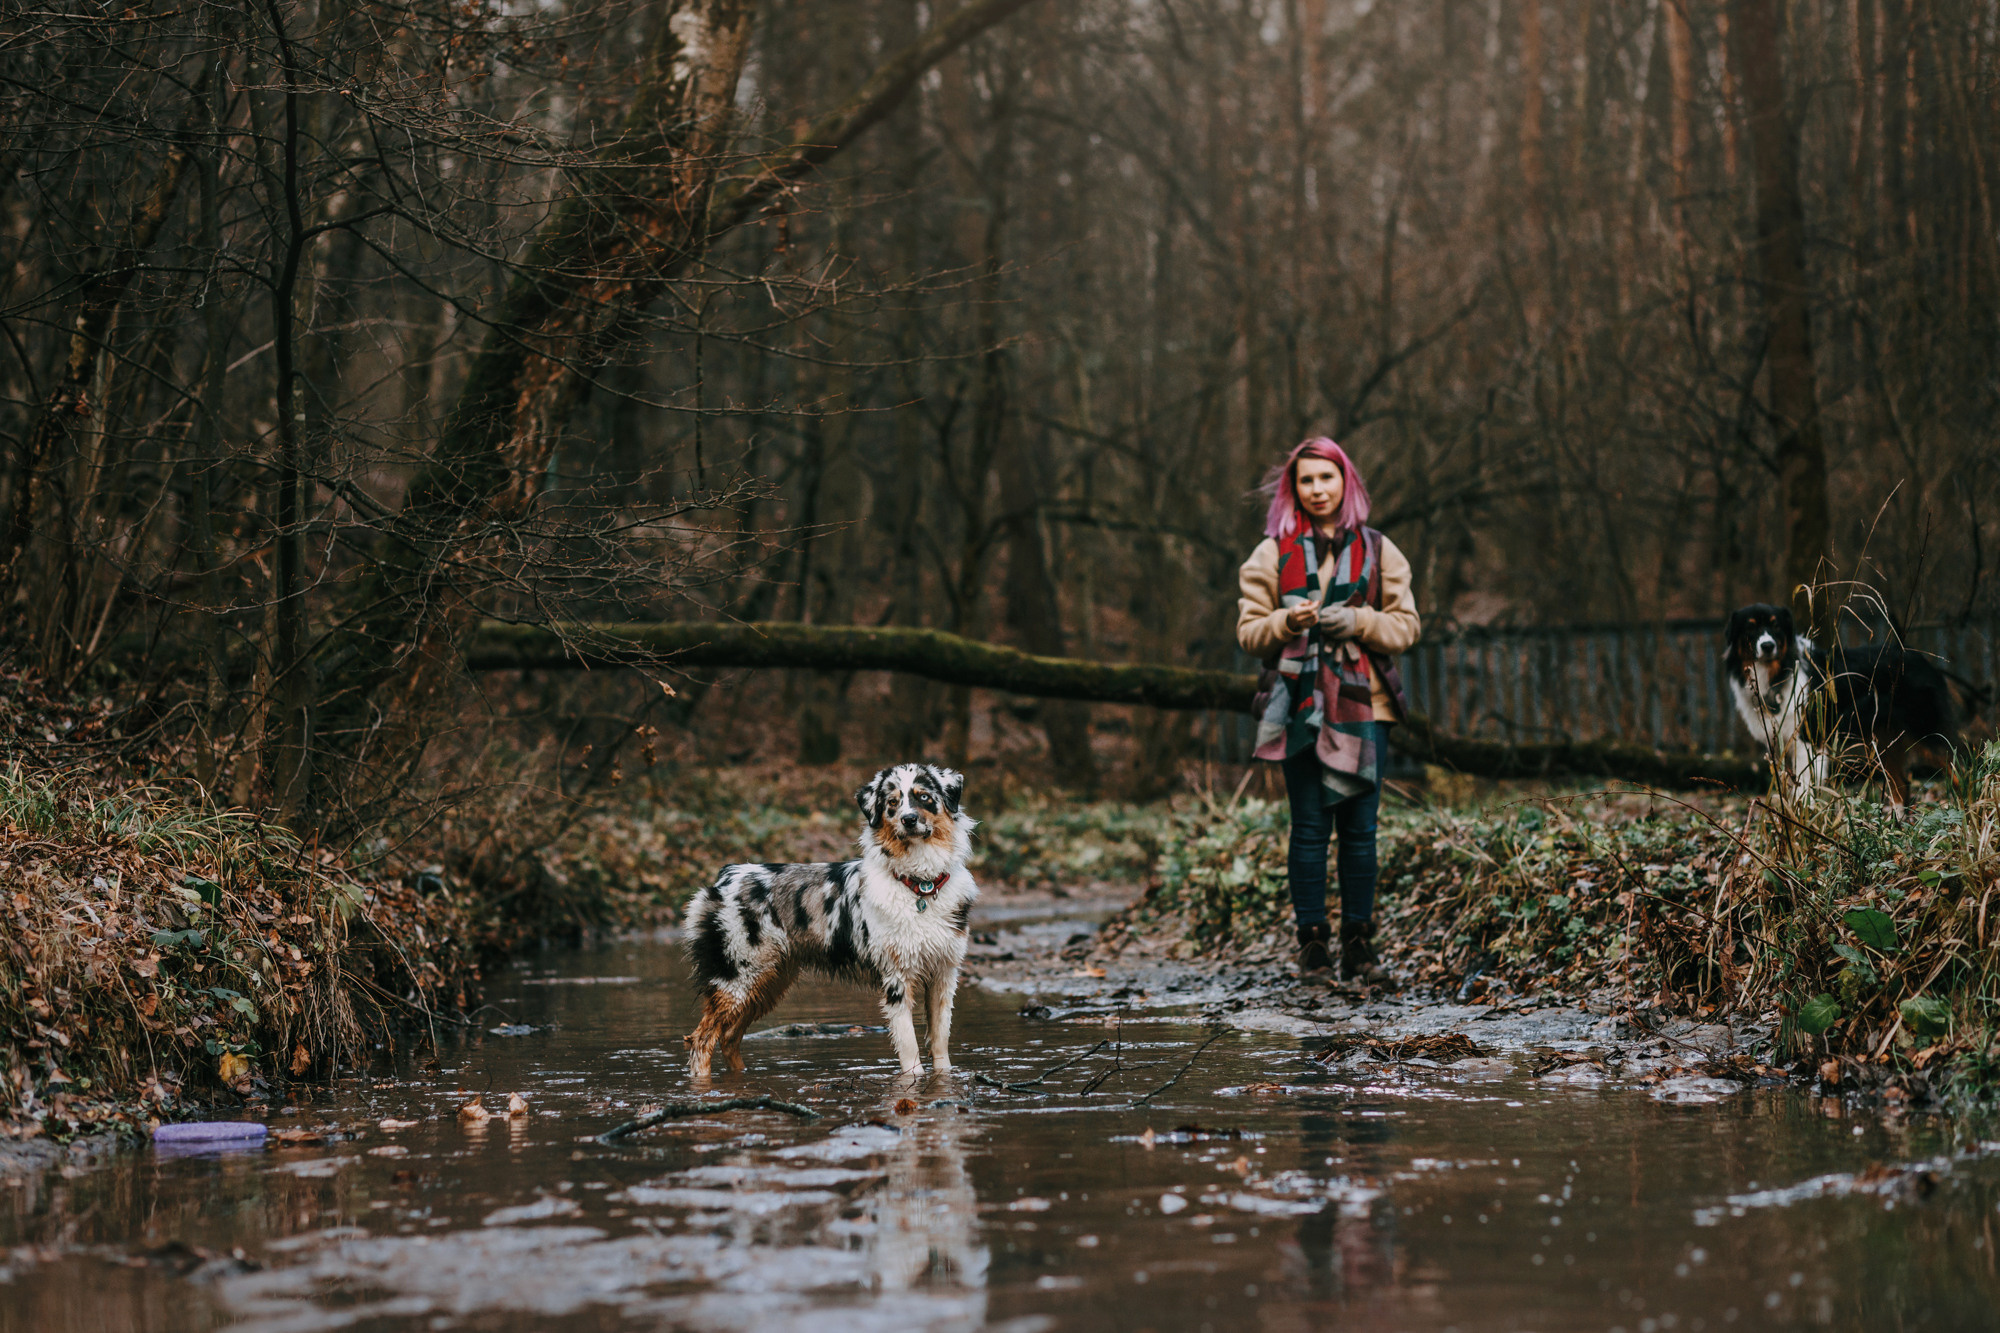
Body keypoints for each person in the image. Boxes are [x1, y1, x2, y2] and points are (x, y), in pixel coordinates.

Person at [1237, 438, 1421, 983]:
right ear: (1293, 490)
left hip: (1367, 707)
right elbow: (1249, 633)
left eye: (1327, 478)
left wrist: (1359, 622)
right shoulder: (1271, 553)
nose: (1317, 489)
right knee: (1310, 827)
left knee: (1361, 829)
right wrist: (1287, 623)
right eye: (1307, 480)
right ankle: (1313, 946)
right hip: (1296, 706)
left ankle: (1359, 947)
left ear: (1346, 482)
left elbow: (1406, 627)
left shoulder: (1381, 549)